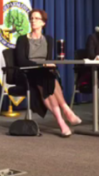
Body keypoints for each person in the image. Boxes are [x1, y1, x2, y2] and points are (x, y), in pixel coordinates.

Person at [14, 9, 82, 137]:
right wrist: (41, 65)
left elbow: (49, 59)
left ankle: (64, 117)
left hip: (44, 72)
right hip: (27, 72)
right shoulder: (22, 39)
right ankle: (64, 116)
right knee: (46, 78)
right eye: (32, 18)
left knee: (49, 77)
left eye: (37, 19)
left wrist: (49, 64)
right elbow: (21, 61)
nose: (33, 21)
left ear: (43, 23)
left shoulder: (49, 39)